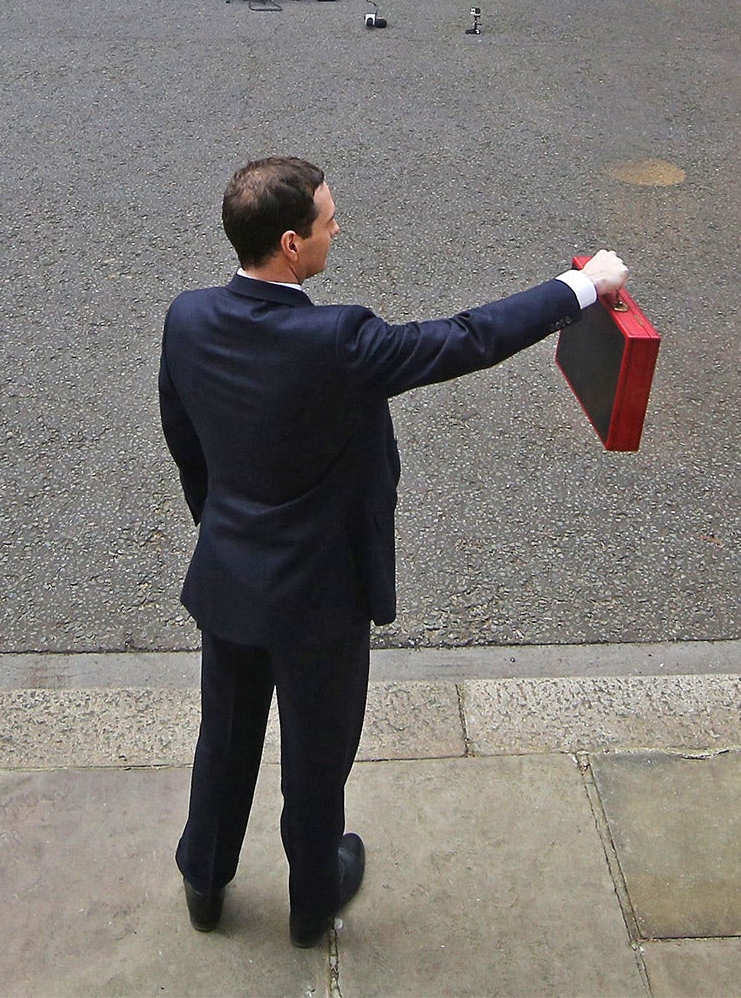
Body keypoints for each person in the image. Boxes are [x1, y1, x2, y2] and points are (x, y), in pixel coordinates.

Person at [163, 154, 628, 949]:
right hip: (321, 594)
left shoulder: (188, 317)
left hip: (230, 578)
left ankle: (206, 880)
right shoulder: (338, 338)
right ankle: (313, 899)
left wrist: (227, 535)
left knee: (225, 734)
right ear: (289, 243)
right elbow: (466, 340)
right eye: (327, 220)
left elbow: (188, 448)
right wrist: (580, 288)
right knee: (317, 751)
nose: (336, 228)